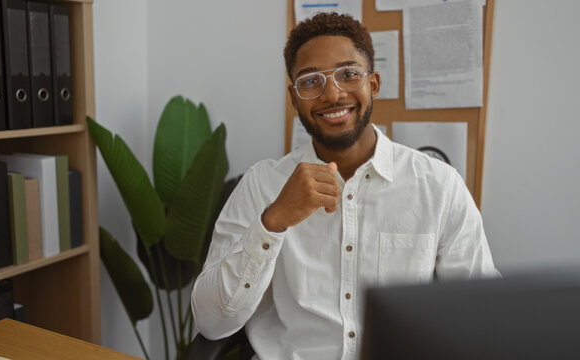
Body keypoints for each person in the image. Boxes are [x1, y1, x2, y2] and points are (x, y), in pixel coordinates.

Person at [191, 12, 499, 360]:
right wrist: (272, 223)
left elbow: (482, 314)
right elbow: (211, 323)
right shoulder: (261, 184)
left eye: (349, 74)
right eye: (310, 81)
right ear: (295, 98)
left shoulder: (438, 186)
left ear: (374, 84)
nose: (332, 94)